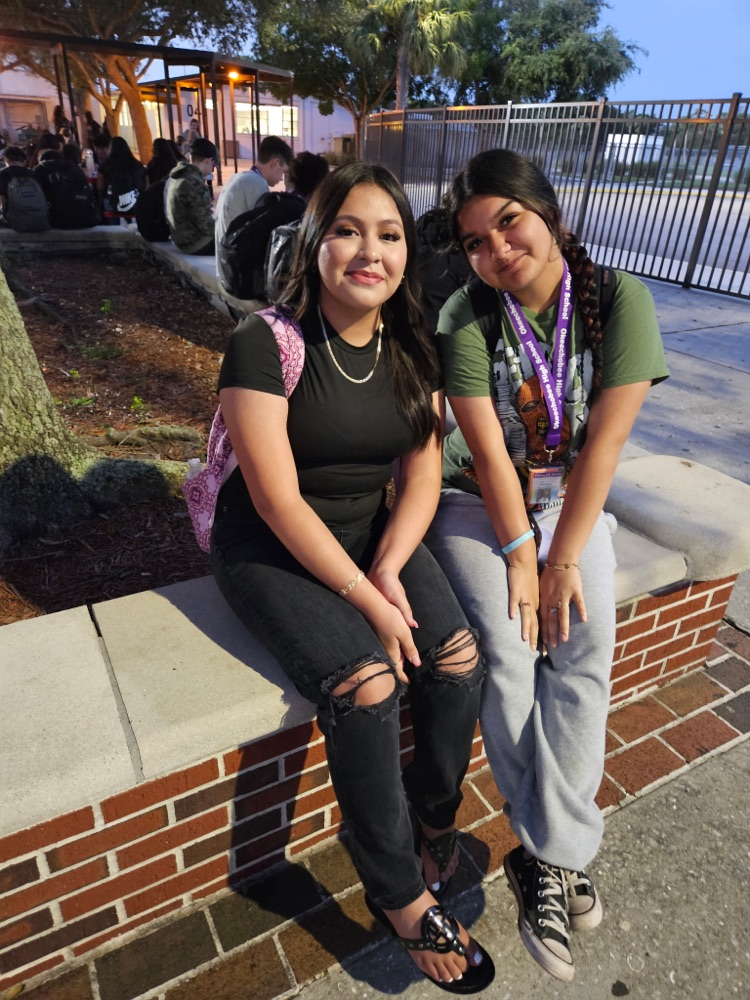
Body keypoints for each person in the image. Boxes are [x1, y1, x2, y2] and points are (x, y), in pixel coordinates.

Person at [210, 161, 494, 993]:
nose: (368, 252)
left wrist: (392, 563)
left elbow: (424, 475)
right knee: (369, 684)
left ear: (407, 251)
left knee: (457, 661)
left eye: (389, 234)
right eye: (347, 230)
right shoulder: (263, 341)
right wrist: (370, 597)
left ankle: (432, 819)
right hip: (268, 541)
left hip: (369, 533)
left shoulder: (411, 346)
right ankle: (397, 894)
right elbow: (274, 498)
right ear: (314, 240)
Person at [424, 148, 669, 983]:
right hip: (475, 504)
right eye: (474, 241)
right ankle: (560, 855)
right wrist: (522, 559)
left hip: (573, 504)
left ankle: (544, 857)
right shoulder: (465, 314)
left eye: (508, 222)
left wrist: (563, 554)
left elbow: (605, 441)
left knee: (583, 653)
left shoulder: (617, 299)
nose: (495, 250)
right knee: (508, 655)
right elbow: (488, 457)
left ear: (549, 213)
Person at [215, 134, 292, 280]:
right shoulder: (256, 183)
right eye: (283, 172)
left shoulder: (239, 177)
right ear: (275, 163)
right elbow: (262, 235)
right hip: (235, 275)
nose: (282, 178)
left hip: (224, 266)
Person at [165, 137, 217, 255]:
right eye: (213, 164)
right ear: (208, 160)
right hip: (195, 243)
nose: (212, 169)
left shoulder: (180, 175)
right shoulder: (194, 182)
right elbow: (207, 226)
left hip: (181, 239)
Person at [0, 145, 50, 231]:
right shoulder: (32, 173)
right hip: (37, 216)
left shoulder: (3, 174)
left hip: (15, 218)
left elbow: (3, 201)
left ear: (7, 160)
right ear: (24, 160)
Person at [97, 136, 146, 219]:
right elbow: (145, 185)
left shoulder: (106, 165)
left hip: (113, 206)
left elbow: (100, 187)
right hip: (136, 205)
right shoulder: (137, 165)